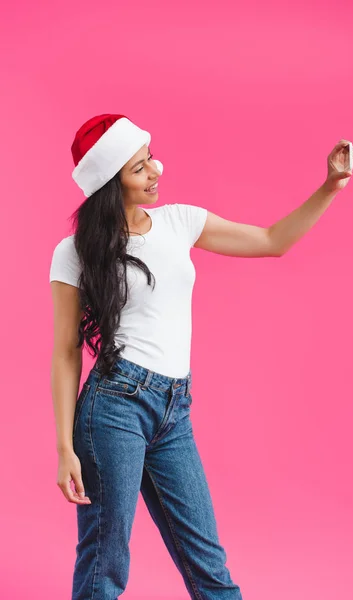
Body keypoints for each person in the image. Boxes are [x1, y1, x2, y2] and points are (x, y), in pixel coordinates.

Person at [49, 113, 244, 599]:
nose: (156, 170)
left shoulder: (181, 221)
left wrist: (329, 187)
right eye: (139, 168)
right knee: (105, 559)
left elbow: (272, 242)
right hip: (114, 407)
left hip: (174, 409)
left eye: (150, 158)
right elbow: (64, 354)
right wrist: (63, 449)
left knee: (209, 564)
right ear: (111, 184)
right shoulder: (74, 252)